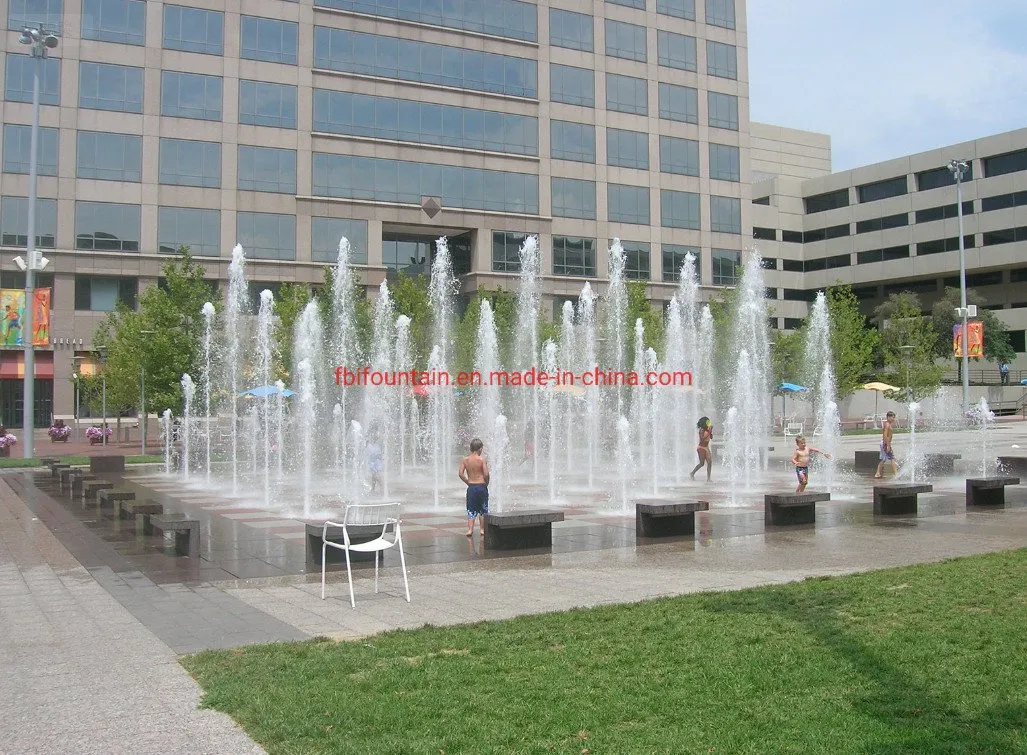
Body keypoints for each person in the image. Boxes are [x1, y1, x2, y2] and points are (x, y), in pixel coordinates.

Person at [458, 437, 490, 537]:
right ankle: (482, 529)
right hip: (481, 486)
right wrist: (487, 482)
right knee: (483, 509)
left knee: (471, 509)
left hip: (471, 487)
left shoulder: (465, 460)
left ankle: (470, 530)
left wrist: (468, 482)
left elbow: (460, 474)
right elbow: (486, 474)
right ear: (479, 448)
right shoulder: (481, 459)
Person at [874, 410, 899, 479]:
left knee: (883, 459)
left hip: (884, 443)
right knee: (892, 458)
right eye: (892, 417)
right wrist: (888, 445)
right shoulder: (887, 425)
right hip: (885, 443)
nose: (893, 419)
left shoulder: (887, 424)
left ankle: (877, 473)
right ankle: (896, 474)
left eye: (894, 417)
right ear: (888, 417)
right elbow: (885, 435)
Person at [689, 416, 713, 482]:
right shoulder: (701, 430)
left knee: (710, 462)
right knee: (702, 463)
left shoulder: (707, 429)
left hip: (706, 447)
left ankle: (708, 478)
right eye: (708, 422)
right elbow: (703, 438)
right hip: (701, 448)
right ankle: (692, 473)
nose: (709, 423)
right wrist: (709, 431)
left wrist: (710, 432)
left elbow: (711, 437)